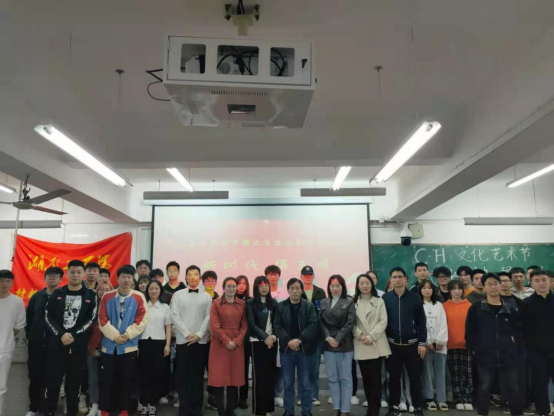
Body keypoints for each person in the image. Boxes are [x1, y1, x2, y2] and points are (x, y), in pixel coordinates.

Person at [43, 260, 97, 416]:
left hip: (78, 346)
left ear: (84, 274)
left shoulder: (90, 295)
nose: (75, 275)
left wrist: (73, 334)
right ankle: (49, 412)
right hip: (57, 344)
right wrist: (61, 334)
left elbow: (91, 319)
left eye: (79, 272)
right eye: (72, 272)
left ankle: (71, 412)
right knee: (53, 382)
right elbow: (48, 317)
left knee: (74, 384)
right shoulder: (57, 293)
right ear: (67, 274)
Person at [465, 272, 522, 416]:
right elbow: (470, 330)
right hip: (485, 355)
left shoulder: (509, 308)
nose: (493, 287)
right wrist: (474, 348)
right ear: (484, 287)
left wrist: (514, 342)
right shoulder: (476, 308)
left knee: (513, 387)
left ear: (500, 285)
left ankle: (517, 412)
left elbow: (518, 329)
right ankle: (483, 413)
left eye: (496, 283)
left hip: (508, 355)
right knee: (484, 387)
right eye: (489, 284)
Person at [98, 264, 148, 416]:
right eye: (123, 277)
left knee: (126, 379)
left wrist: (127, 335)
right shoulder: (107, 297)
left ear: (133, 279)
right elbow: (102, 319)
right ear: (117, 278)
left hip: (128, 346)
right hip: (109, 346)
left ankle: (124, 409)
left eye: (129, 277)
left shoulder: (139, 297)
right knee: (107, 378)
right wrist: (115, 336)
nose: (126, 280)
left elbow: (142, 319)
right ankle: (105, 408)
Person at [382, 267, 427, 416]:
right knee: (394, 378)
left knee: (415, 378)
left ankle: (417, 407)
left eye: (400, 277)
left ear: (406, 279)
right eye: (394, 277)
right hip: (392, 346)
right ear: (390, 280)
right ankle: (394, 407)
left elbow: (422, 322)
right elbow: (383, 322)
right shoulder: (386, 298)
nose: (397, 279)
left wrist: (422, 342)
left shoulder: (415, 297)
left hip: (412, 346)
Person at [170, 265, 212, 416]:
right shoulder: (178, 295)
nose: (193, 277)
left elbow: (208, 317)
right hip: (183, 341)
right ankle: (184, 409)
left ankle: (196, 410)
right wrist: (188, 334)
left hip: (201, 342)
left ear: (200, 278)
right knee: (183, 376)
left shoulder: (206, 297)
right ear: (186, 277)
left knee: (198, 376)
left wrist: (199, 334)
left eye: (196, 274)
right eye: (190, 274)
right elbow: (175, 316)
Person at [274, 278, 318, 416]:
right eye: (292, 288)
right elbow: (277, 325)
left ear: (301, 290)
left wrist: (299, 340)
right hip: (286, 350)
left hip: (304, 350)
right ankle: (289, 411)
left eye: (297, 288)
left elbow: (313, 325)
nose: (294, 291)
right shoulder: (281, 306)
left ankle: (306, 410)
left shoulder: (308, 306)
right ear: (288, 290)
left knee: (305, 383)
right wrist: (288, 341)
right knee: (288, 383)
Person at [25, 266, 63, 416]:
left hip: (56, 344)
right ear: (44, 278)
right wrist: (31, 335)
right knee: (35, 376)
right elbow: (29, 318)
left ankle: (49, 409)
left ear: (61, 279)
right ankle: (33, 407)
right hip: (36, 343)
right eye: (49, 275)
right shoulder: (37, 296)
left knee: (53, 377)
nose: (52, 278)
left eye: (55, 276)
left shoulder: (63, 296)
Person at [208, 277, 247, 416]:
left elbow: (244, 325)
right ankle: (221, 411)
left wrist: (236, 341)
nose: (231, 289)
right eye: (228, 286)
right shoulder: (216, 303)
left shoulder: (242, 304)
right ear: (223, 288)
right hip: (219, 345)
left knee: (234, 379)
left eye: (233, 286)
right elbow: (214, 325)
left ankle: (230, 410)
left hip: (236, 345)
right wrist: (226, 340)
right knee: (219, 379)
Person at [352, 273, 390, 416]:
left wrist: (371, 336)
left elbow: (383, 321)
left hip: (375, 342)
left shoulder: (379, 301)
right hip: (361, 343)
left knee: (375, 378)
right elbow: (350, 322)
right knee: (366, 379)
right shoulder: (353, 302)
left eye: (367, 283)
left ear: (372, 285)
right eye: (361, 283)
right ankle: (370, 408)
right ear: (357, 286)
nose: (365, 286)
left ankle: (375, 409)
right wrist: (360, 335)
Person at [319, 275, 356, 416]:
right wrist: (328, 337)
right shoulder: (324, 302)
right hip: (328, 343)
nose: (335, 289)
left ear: (343, 287)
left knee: (345, 378)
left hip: (345, 343)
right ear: (329, 287)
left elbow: (350, 322)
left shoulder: (349, 301)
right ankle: (336, 407)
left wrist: (338, 338)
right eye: (332, 286)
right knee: (332, 378)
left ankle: (345, 409)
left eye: (338, 286)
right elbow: (320, 322)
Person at [522, 269, 554, 416]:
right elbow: (521, 329)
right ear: (531, 283)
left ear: (550, 281)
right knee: (539, 385)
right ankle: (543, 412)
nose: (541, 283)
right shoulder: (526, 304)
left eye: (544, 280)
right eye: (537, 281)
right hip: (536, 353)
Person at [139, 280, 171, 416]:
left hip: (159, 343)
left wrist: (167, 345)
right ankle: (144, 403)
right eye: (151, 289)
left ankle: (152, 404)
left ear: (160, 291)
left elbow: (168, 327)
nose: (153, 291)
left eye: (156, 289)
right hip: (143, 342)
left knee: (156, 374)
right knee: (143, 373)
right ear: (147, 291)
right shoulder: (142, 305)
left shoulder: (165, 307)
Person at [247, 276, 278, 416]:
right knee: (259, 377)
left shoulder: (274, 302)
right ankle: (259, 411)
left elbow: (277, 323)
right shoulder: (251, 303)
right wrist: (265, 337)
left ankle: (268, 409)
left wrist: (273, 337)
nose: (264, 288)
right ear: (256, 287)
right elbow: (252, 324)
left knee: (270, 376)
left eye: (266, 285)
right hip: (257, 342)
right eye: (261, 286)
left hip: (272, 342)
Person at [418, 280, 448, 411]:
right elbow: (420, 325)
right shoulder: (418, 305)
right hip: (426, 345)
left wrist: (440, 341)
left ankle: (441, 399)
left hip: (440, 345)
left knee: (441, 373)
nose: (427, 290)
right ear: (420, 290)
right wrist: (428, 342)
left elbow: (443, 323)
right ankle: (429, 398)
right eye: (424, 288)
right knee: (427, 373)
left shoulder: (439, 305)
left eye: (429, 288)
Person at [443, 280, 473, 411]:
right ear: (449, 291)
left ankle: (468, 398)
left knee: (467, 373)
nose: (457, 291)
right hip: (450, 345)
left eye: (459, 288)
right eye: (454, 289)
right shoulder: (444, 306)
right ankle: (458, 398)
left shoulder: (469, 306)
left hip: (467, 344)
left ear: (463, 290)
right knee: (455, 373)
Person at [0, 270, 26, 415]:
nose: (4, 283)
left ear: (12, 282)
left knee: (1, 386)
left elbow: (18, 326)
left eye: (7, 281)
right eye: (1, 280)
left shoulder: (17, 302)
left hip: (5, 349)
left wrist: (6, 337)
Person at [301, 265, 326, 407]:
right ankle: (302, 396)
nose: (308, 277)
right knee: (302, 368)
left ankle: (314, 396)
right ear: (301, 277)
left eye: (310, 275)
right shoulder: (298, 291)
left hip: (317, 336)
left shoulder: (320, 292)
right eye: (305, 275)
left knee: (314, 368)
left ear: (313, 276)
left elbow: (323, 313)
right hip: (301, 336)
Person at [87, 281, 113, 416]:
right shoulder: (91, 305)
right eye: (101, 289)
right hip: (91, 346)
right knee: (93, 377)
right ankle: (94, 404)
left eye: (107, 289)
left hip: (110, 346)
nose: (104, 292)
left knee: (107, 377)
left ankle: (104, 405)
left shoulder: (114, 305)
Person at [265, 264, 285, 408]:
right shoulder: (262, 294)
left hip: (280, 336)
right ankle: (267, 395)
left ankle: (278, 394)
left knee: (280, 366)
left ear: (279, 276)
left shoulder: (284, 294)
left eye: (275, 274)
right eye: (270, 274)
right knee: (267, 366)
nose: (272, 277)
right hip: (265, 337)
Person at [202, 270, 220, 410]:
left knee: (213, 370)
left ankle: (212, 397)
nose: (210, 283)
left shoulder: (220, 298)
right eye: (207, 280)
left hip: (214, 340)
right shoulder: (199, 296)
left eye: (212, 280)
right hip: (200, 338)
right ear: (203, 283)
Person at [235, 275, 251, 409]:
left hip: (246, 340)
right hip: (232, 339)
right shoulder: (229, 299)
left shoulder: (250, 301)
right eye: (239, 283)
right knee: (234, 369)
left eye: (244, 284)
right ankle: (233, 398)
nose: (241, 286)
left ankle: (243, 398)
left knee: (244, 369)